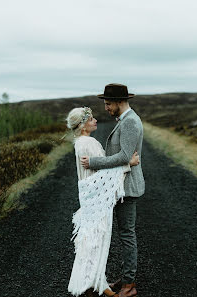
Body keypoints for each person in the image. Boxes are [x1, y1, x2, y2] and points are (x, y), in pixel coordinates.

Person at [66, 106, 140, 297]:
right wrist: (127, 164)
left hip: (90, 199)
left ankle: (94, 284)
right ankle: (97, 286)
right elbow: (103, 175)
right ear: (82, 125)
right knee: (97, 241)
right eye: (91, 119)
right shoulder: (88, 143)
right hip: (97, 200)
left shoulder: (79, 142)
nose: (95, 120)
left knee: (90, 240)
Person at [81, 83, 144, 297]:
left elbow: (125, 156)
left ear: (119, 102)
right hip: (120, 186)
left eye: (108, 104)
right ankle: (125, 278)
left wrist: (94, 162)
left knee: (127, 234)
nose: (106, 108)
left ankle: (129, 285)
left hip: (127, 188)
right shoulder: (125, 120)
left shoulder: (130, 122)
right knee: (122, 233)